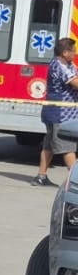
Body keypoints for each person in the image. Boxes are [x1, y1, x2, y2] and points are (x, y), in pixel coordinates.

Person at [36, 38, 78, 188]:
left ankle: (41, 176)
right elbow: (75, 83)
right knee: (67, 148)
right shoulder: (59, 66)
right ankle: (75, 181)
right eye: (73, 50)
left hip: (59, 112)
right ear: (65, 52)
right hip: (60, 113)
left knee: (49, 146)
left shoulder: (67, 64)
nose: (75, 53)